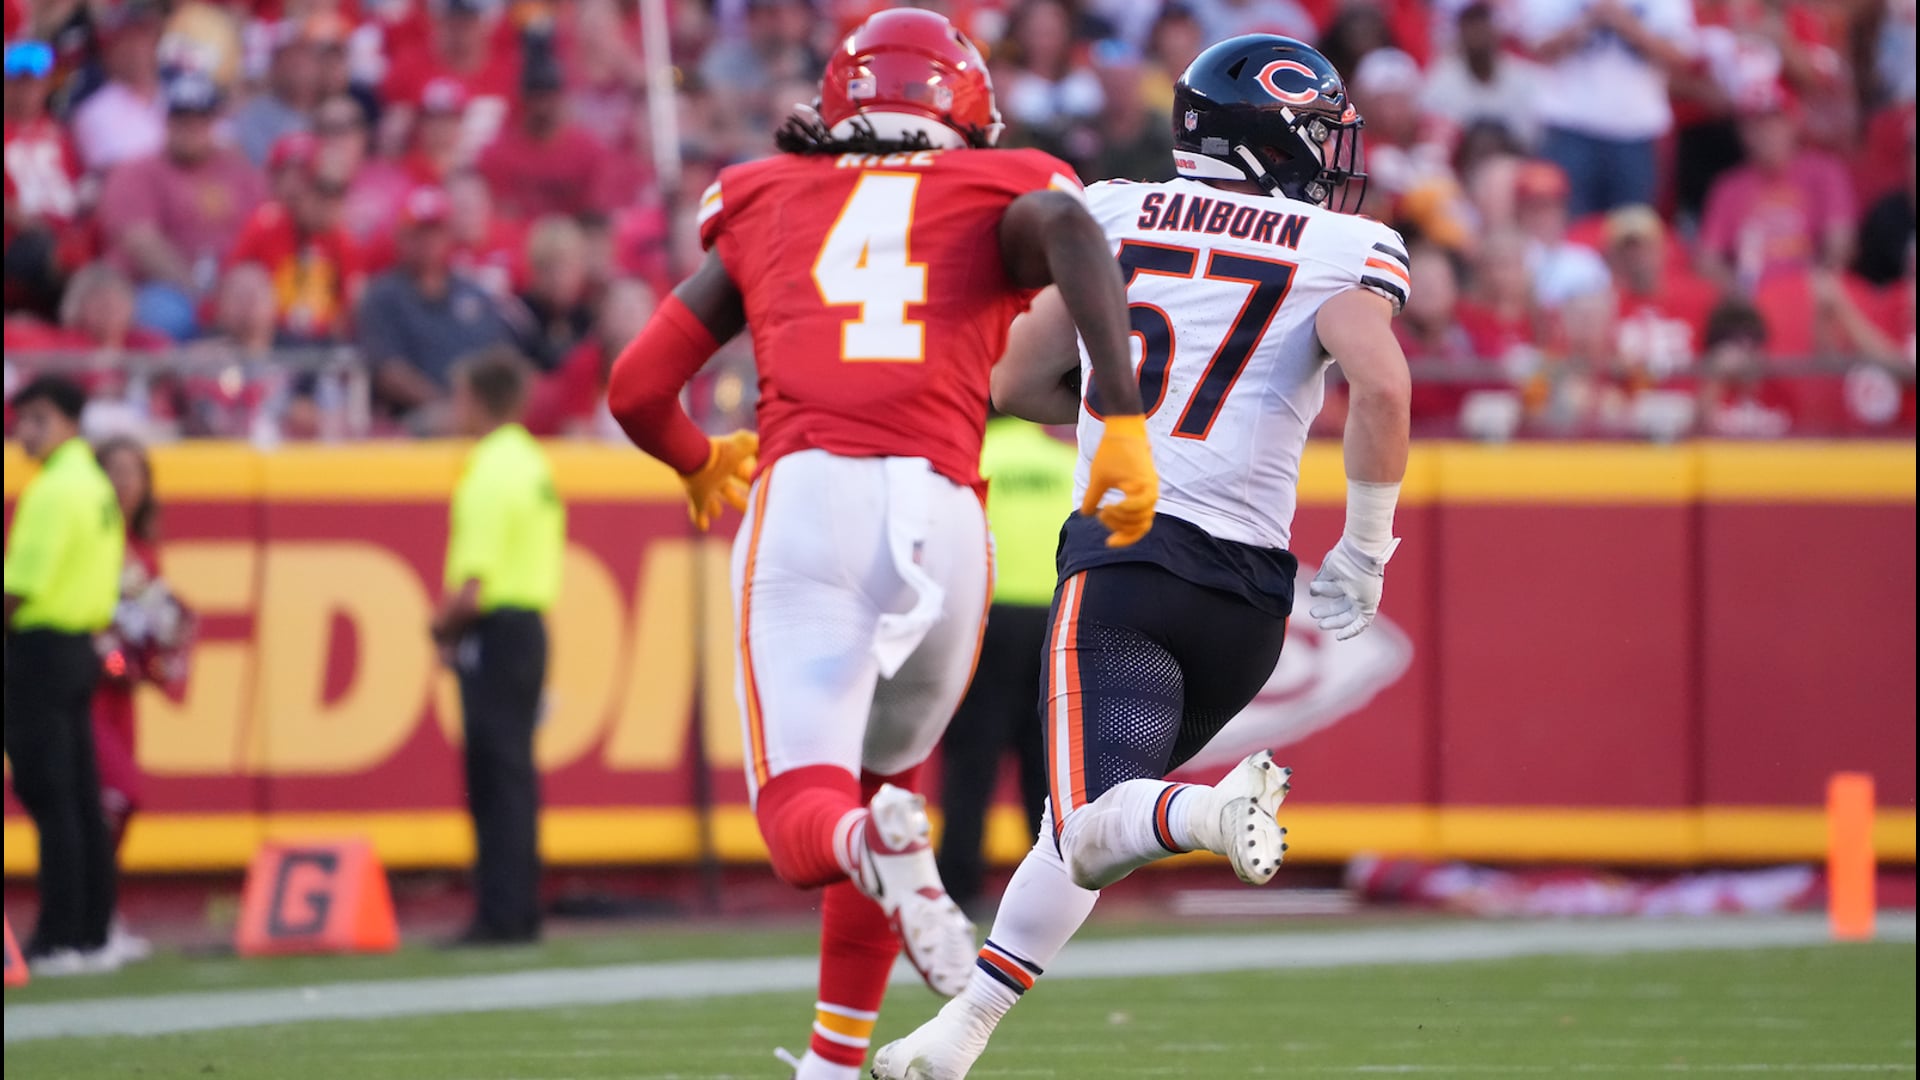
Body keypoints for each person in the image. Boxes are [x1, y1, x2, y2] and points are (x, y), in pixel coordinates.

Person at [605, 12, 1156, 1080]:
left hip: (813, 495)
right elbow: (1076, 233)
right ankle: (831, 1064)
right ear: (964, 109)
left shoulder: (766, 192)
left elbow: (634, 387)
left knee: (807, 813)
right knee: (883, 771)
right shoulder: (1004, 181)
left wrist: (692, 455)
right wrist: (1122, 418)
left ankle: (870, 846)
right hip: (949, 522)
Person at [874, 35, 1413, 1079]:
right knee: (1079, 825)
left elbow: (1016, 379)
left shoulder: (1112, 212)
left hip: (1128, 565)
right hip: (1250, 600)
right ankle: (961, 1032)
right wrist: (1367, 547)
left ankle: (1210, 810)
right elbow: (1382, 389)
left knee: (1090, 820)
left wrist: (1114, 410)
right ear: (1270, 139)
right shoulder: (1347, 246)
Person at [430, 348, 565, 945]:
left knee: (492, 777)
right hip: (530, 626)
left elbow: (472, 587)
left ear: (478, 401)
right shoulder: (532, 462)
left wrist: (440, 630)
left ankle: (500, 913)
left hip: (495, 632)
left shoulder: (486, 468)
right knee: (515, 775)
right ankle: (520, 907)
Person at [3, 376, 127, 975]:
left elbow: (17, 589)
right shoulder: (93, 483)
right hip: (78, 647)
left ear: (69, 420)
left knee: (52, 798)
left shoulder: (53, 491)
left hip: (41, 650)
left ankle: (59, 937)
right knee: (77, 796)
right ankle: (91, 931)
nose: (25, 430)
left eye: (38, 418)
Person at [934, 416, 1074, 915]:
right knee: (1047, 766)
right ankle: (1057, 887)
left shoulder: (967, 462)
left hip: (984, 621)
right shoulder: (1067, 465)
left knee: (971, 762)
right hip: (1055, 619)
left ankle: (958, 886)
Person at [90, 436, 195, 963]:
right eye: (115, 471)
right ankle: (88, 914)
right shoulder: (88, 536)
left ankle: (100, 911)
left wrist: (161, 652)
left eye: (136, 473)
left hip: (120, 695)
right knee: (111, 795)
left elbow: (157, 621)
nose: (126, 483)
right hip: (86, 691)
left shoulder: (142, 548)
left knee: (115, 801)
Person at [95, 71, 268, 341]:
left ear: (214, 121)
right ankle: (169, 383)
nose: (191, 128)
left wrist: (233, 290)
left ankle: (266, 381)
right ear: (168, 121)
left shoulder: (240, 172)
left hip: (228, 286)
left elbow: (263, 231)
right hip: (156, 287)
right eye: (182, 118)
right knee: (163, 314)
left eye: (200, 119)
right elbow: (141, 242)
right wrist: (198, 292)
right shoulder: (136, 172)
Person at [355, 185, 514, 429]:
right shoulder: (384, 297)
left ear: (448, 236)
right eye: (419, 233)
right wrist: (449, 405)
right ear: (402, 237)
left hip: (479, 413)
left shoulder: (474, 294)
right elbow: (388, 371)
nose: (428, 242)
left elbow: (498, 356)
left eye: (435, 232)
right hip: (411, 419)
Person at [1520, 0, 1697, 216]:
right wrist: (1588, 21)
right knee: (1570, 229)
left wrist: (1627, 24)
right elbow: (1536, 46)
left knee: (1631, 230)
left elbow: (1680, 55)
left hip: (1636, 130)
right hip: (1569, 125)